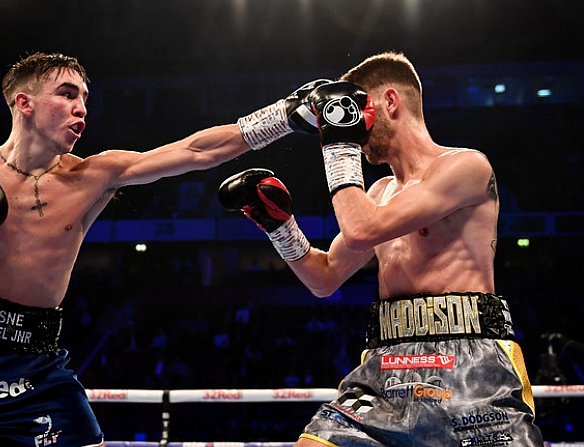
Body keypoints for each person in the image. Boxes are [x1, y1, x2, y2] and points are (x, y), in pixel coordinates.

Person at [0, 51, 328, 447]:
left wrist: (287, 116)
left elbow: (196, 150)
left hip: (31, 366)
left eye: (85, 99)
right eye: (67, 94)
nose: (82, 109)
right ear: (23, 103)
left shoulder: (91, 176)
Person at [219, 51, 545, 446]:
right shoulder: (378, 193)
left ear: (390, 102)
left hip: (470, 364)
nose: (351, 123)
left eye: (354, 109)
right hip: (385, 366)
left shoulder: (466, 167)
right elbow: (323, 279)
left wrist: (338, 146)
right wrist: (280, 226)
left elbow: (360, 230)